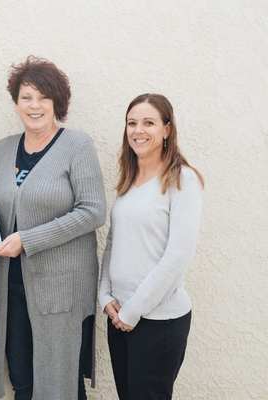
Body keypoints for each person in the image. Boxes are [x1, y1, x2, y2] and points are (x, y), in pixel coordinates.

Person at [0, 56, 107, 400]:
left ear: (58, 102)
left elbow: (94, 211)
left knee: (59, 384)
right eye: (26, 97)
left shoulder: (77, 146)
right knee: (22, 380)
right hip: (11, 287)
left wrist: (28, 239)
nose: (34, 105)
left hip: (60, 289)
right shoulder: (2, 150)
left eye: (43, 97)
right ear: (16, 102)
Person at [98, 93, 204, 399]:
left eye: (149, 123)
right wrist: (105, 296)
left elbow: (178, 256)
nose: (138, 130)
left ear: (167, 129)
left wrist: (133, 310)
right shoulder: (129, 181)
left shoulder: (183, 180)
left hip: (158, 322)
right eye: (132, 123)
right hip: (119, 317)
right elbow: (112, 244)